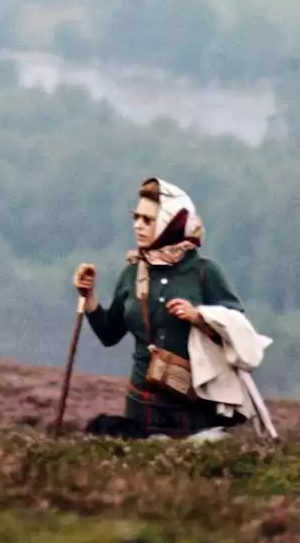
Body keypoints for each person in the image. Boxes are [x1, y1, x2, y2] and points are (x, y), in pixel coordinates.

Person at [73, 177, 247, 439]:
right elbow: (109, 334)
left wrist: (199, 317)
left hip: (196, 411)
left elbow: (238, 331)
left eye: (147, 220)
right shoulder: (131, 274)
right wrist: (88, 296)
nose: (138, 226)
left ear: (170, 222)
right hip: (142, 410)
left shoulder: (204, 273)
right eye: (136, 218)